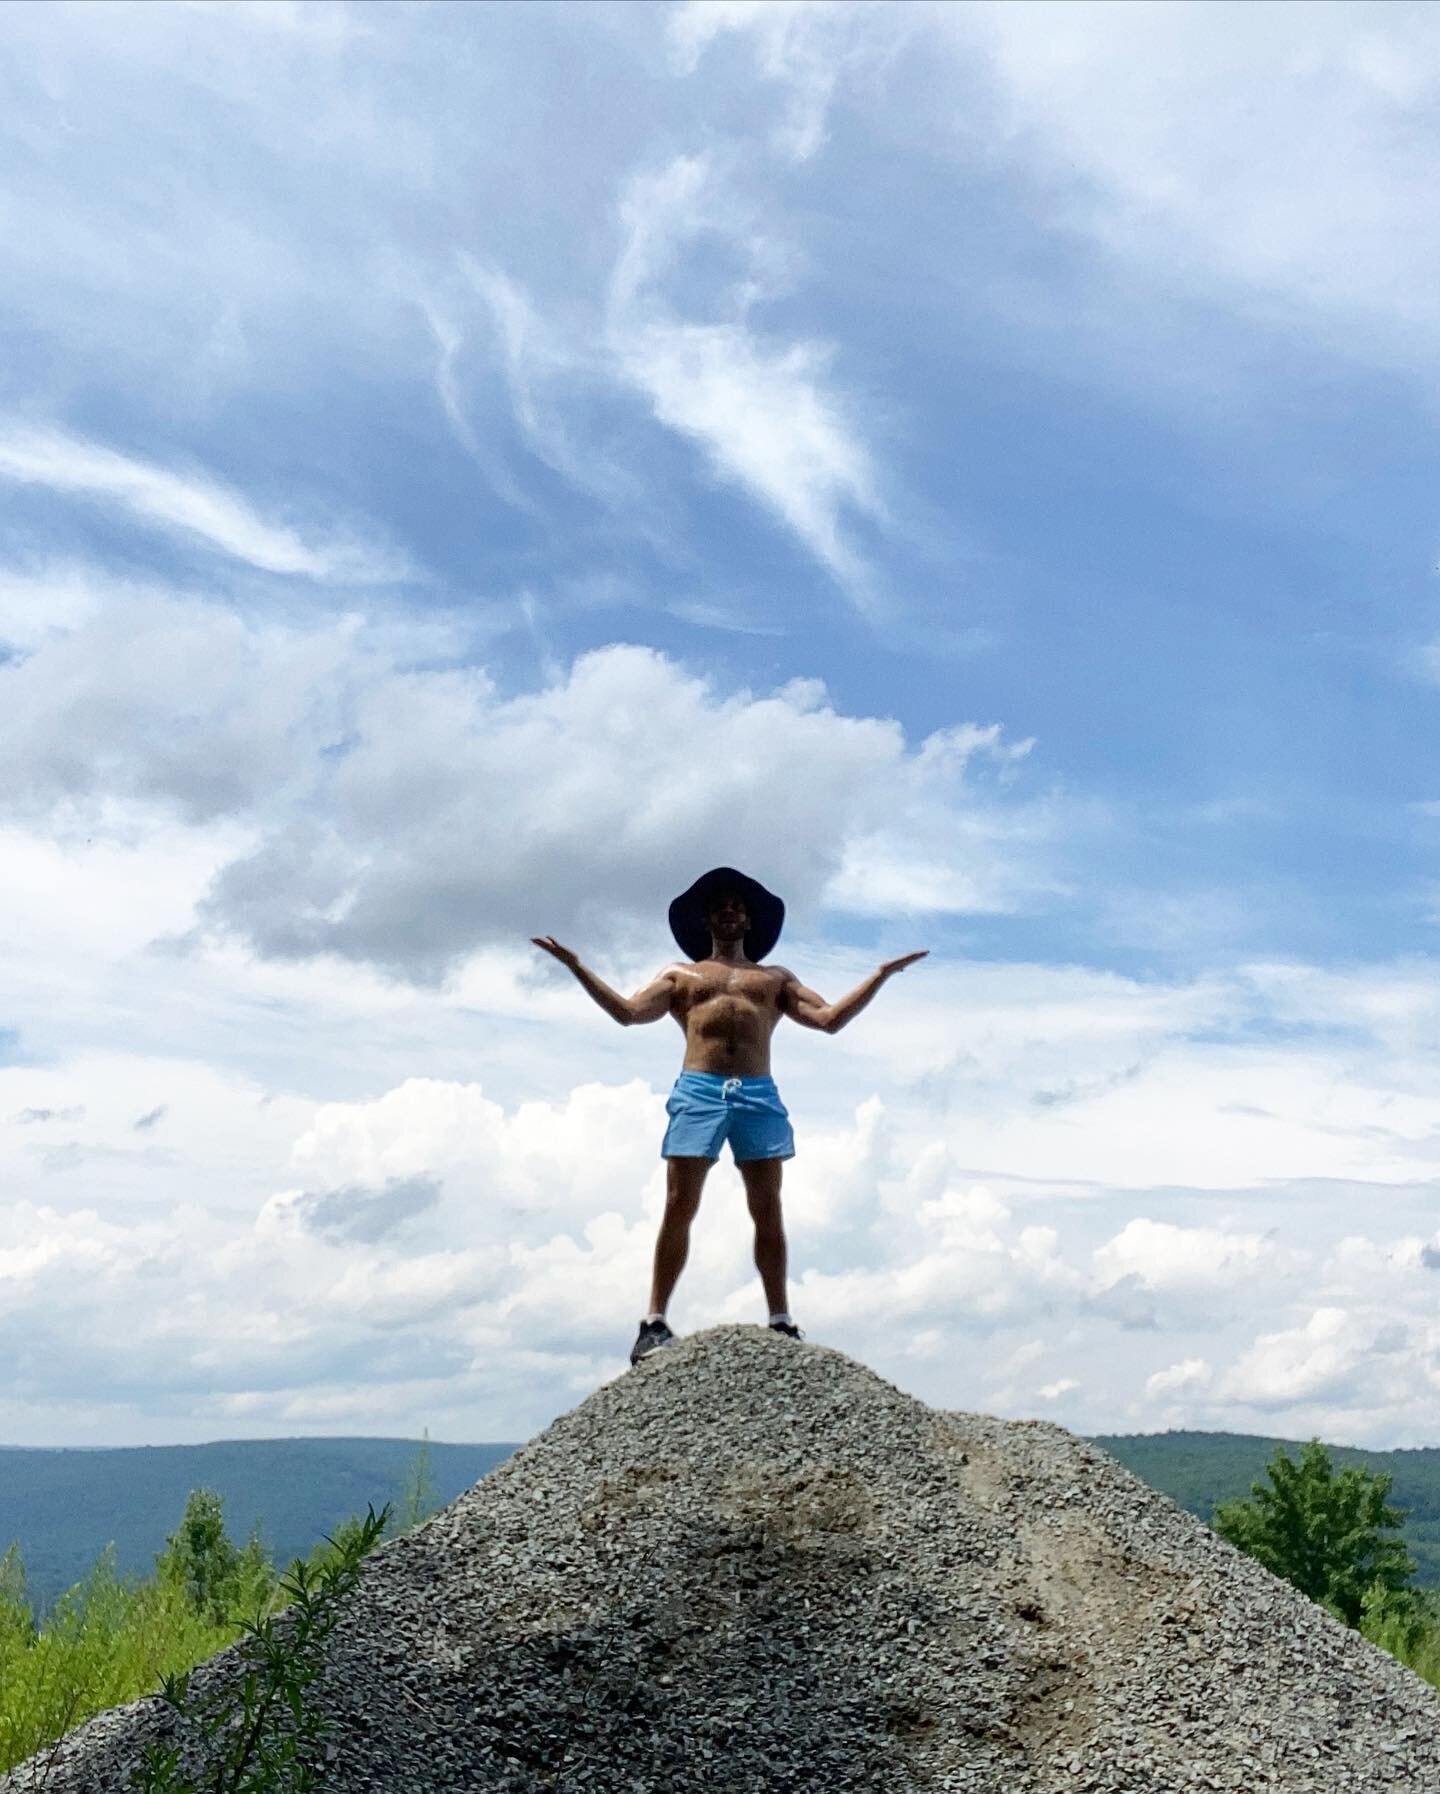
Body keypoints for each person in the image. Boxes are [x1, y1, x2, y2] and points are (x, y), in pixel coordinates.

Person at [533, 866, 928, 1366]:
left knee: (768, 1207)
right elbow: (629, 1013)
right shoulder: (681, 976)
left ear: (749, 921)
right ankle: (653, 1322)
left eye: (738, 906)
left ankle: (781, 1319)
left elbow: (829, 1021)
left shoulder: (776, 979)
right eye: (721, 905)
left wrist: (879, 976)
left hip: (757, 1094)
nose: (729, 911)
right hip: (699, 1090)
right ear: (707, 919)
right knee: (680, 1202)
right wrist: (577, 966)